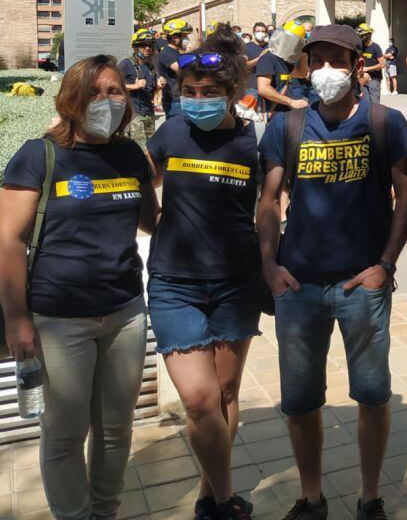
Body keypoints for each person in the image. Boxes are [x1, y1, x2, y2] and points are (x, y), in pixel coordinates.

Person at [258, 25, 407, 520]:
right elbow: (268, 200)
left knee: (372, 394)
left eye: (336, 60)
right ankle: (311, 497)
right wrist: (270, 264)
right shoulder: (287, 127)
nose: (326, 70)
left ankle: (370, 497)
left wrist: (385, 265)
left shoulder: (385, 123)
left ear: (358, 66)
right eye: (317, 60)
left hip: (361, 285)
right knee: (300, 402)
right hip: (299, 286)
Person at [0, 55, 159, 520]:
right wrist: (16, 320)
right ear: (72, 98)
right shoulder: (39, 154)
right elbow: (8, 239)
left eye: (115, 92)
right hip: (58, 317)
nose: (107, 101)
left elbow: (151, 221)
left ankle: (104, 512)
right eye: (95, 92)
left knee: (115, 429)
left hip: (126, 311)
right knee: (67, 431)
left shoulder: (129, 153)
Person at [146, 29, 262, 520]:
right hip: (175, 282)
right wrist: (153, 221)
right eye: (188, 92)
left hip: (237, 281)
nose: (196, 101)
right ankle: (222, 498)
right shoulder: (171, 133)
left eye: (209, 92)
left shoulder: (251, 141)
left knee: (226, 393)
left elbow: (272, 204)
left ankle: (210, 489)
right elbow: (137, 183)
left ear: (232, 93)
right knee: (198, 399)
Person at [257, 20, 308, 118]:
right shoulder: (268, 58)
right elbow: (263, 89)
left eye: (295, 42)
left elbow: (302, 74)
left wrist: (303, 53)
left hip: (285, 114)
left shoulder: (284, 61)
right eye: (289, 40)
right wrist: (291, 102)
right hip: (272, 115)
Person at [121, 29, 162, 149]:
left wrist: (159, 86)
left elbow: (152, 90)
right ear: (135, 47)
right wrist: (134, 86)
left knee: (150, 148)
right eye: (143, 45)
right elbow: (115, 86)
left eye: (150, 45)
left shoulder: (150, 66)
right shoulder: (126, 64)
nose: (147, 48)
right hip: (135, 114)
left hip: (149, 113)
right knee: (141, 149)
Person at [159, 18, 193, 117]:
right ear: (175, 37)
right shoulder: (166, 53)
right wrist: (190, 52)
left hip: (182, 98)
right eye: (184, 36)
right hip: (174, 102)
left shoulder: (177, 53)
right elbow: (182, 70)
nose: (187, 39)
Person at [356, 23, 386, 104]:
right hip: (363, 78)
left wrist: (367, 69)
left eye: (363, 35)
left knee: (375, 105)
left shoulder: (376, 47)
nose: (361, 37)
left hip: (374, 80)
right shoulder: (361, 47)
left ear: (369, 35)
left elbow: (382, 64)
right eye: (360, 35)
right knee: (365, 104)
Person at [244, 21, 270, 106]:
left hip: (269, 86)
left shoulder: (270, 47)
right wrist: (260, 58)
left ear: (266, 33)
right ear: (254, 33)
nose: (261, 33)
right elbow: (245, 66)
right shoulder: (246, 47)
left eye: (263, 31)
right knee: (251, 112)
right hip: (252, 85)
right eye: (258, 31)